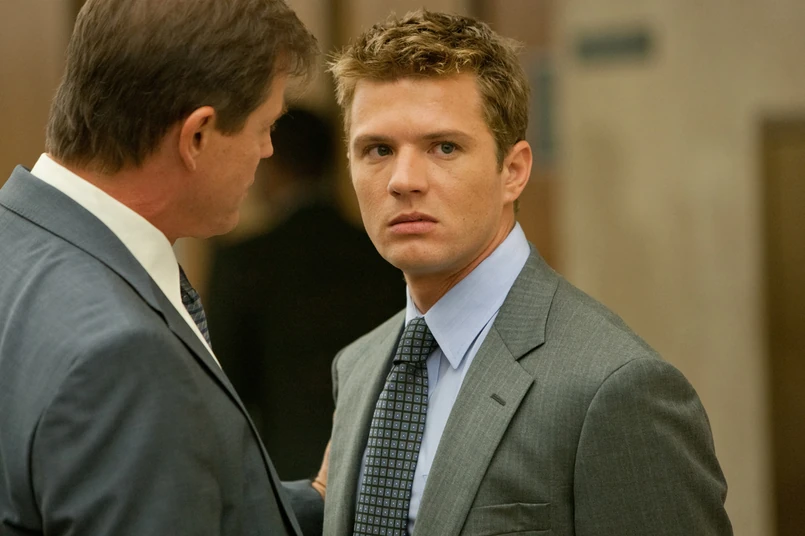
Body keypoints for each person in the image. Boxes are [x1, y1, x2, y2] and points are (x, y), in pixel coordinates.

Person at [315, 9, 733, 536]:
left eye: (444, 147)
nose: (403, 180)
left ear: (513, 171)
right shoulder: (359, 367)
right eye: (378, 149)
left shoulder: (615, 387)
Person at [0, 0, 323, 534]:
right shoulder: (125, 354)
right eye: (265, 126)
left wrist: (317, 499)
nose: (269, 150)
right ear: (197, 136)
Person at [206, 107, 405, 480]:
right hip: (383, 464)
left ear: (272, 164)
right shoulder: (386, 255)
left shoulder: (246, 260)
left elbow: (226, 384)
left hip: (284, 467)